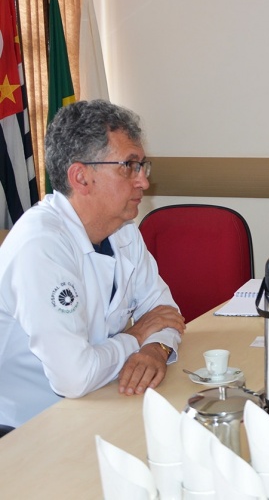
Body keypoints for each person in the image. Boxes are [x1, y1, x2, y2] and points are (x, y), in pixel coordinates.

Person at [0, 100, 185, 430]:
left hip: (98, 404)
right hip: (26, 429)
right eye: (129, 166)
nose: (142, 181)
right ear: (81, 177)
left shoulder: (123, 229)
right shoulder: (40, 245)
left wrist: (155, 349)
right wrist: (138, 334)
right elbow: (74, 376)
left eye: (143, 166)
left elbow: (165, 311)